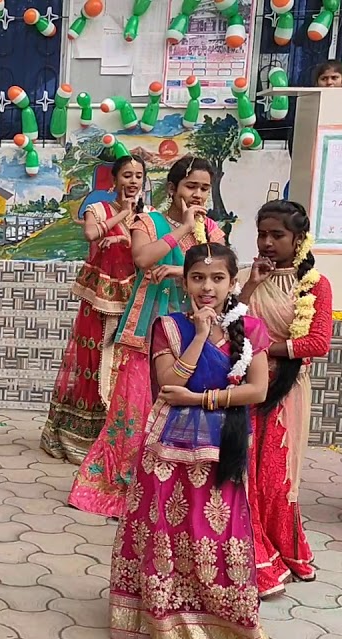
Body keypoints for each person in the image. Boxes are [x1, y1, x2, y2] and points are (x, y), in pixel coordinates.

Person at [109, 242, 278, 639]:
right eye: (198, 278)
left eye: (217, 278)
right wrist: (200, 334)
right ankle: (166, 622)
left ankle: (226, 623)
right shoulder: (169, 326)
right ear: (184, 282)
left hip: (224, 449)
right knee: (167, 533)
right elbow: (170, 383)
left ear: (232, 282)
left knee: (217, 537)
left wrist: (202, 400)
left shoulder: (250, 328)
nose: (207, 287)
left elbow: (257, 390)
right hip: (168, 451)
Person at [71, 156, 224, 518]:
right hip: (147, 330)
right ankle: (122, 490)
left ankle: (172, 492)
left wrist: (179, 270)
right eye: (191, 186)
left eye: (204, 188)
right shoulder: (148, 221)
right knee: (134, 412)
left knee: (180, 412)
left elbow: (221, 268)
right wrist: (183, 230)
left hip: (192, 331)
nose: (198, 194)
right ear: (172, 188)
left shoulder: (211, 229)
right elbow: (142, 259)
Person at [238, 200, 332, 597]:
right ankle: (248, 552)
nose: (267, 243)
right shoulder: (247, 276)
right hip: (243, 386)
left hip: (285, 392)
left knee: (275, 477)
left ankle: (283, 550)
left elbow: (317, 342)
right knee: (243, 471)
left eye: (277, 235)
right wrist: (250, 285)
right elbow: (229, 325)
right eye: (262, 234)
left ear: (298, 239)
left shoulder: (315, 285)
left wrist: (262, 348)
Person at [43, 156, 147, 467]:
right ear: (114, 181)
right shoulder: (98, 209)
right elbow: (90, 234)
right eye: (127, 175)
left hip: (133, 301)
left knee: (125, 365)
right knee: (93, 361)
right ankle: (81, 437)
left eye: (138, 176)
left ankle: (118, 438)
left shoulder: (149, 216)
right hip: (98, 303)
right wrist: (123, 214)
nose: (133, 181)